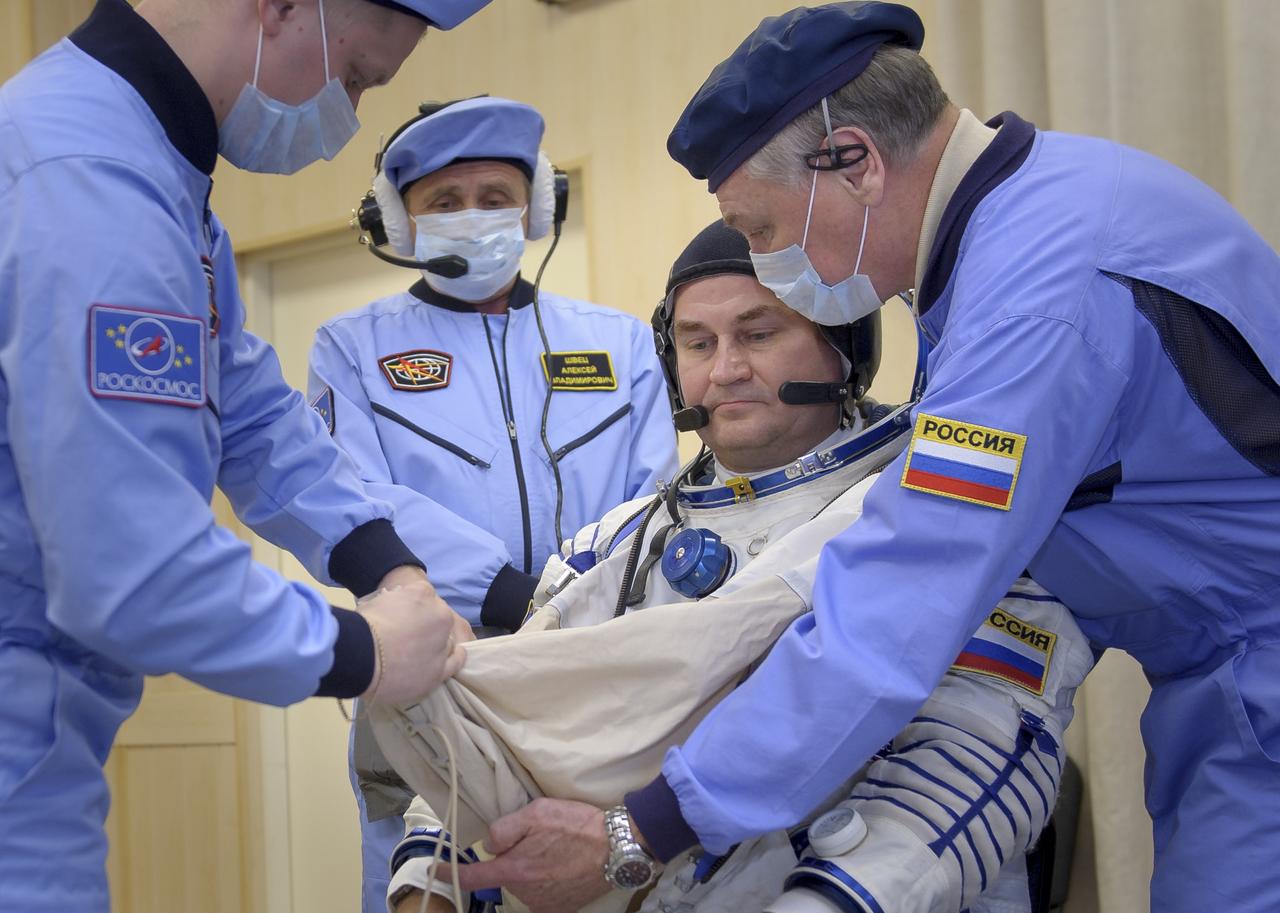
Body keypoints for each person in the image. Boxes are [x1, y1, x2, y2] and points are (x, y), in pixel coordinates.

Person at [457, 3, 1280, 911]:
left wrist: (640, 828)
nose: (765, 268)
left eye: (763, 232)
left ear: (856, 162)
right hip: (1221, 672)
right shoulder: (1032, 215)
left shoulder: (1033, 298)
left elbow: (899, 602)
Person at [370, 221, 1093, 913]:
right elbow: (487, 727)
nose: (725, 369)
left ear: (844, 343)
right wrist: (429, 876)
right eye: (696, 342)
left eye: (758, 333)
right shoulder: (611, 548)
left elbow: (971, 766)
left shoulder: (942, 515)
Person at [0, 0, 490, 910]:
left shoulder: (154, 173)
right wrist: (365, 649)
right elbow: (132, 573)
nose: (345, 123)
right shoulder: (92, 187)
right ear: (279, 8)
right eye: (354, 79)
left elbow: (254, 413)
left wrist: (391, 567)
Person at [308, 95, 678, 912]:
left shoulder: (618, 345)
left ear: (536, 207)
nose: (473, 218)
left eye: (495, 197)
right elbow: (358, 495)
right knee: (426, 885)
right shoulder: (352, 350)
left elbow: (652, 502)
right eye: (445, 201)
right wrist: (508, 591)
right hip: (433, 673)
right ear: (400, 222)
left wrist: (579, 609)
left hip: (595, 678)